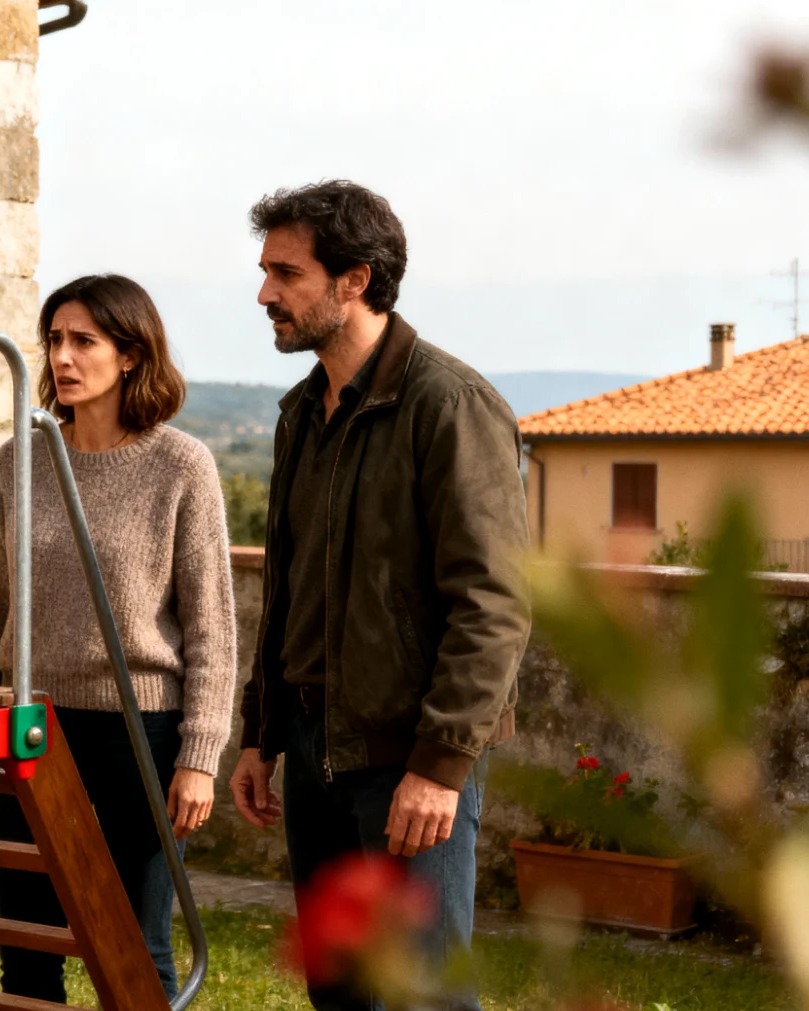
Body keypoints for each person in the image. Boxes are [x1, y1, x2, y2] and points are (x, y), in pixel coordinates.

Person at [226, 181, 531, 1011]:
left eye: (285, 273)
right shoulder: (300, 412)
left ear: (355, 279)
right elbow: (288, 586)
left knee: (424, 995)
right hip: (310, 740)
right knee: (341, 990)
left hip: (409, 756)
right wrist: (260, 732)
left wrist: (438, 769)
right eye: (265, 272)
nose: (265, 294)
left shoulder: (450, 404)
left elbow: (493, 604)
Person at [0, 274, 239, 1002]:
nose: (62, 356)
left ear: (132, 355)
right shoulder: (19, 459)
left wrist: (200, 755)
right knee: (28, 943)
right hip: (29, 725)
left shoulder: (182, 465)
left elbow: (211, 621)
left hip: (138, 732)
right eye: (54, 338)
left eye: (84, 340)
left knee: (133, 944)